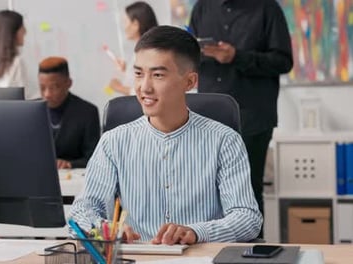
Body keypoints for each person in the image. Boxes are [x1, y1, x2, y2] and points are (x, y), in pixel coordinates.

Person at [70, 26, 262, 244]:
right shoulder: (113, 142)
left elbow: (247, 219)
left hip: (199, 257)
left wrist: (195, 232)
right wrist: (107, 229)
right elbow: (82, 212)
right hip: (138, 258)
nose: (144, 87)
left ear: (189, 82)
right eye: (139, 74)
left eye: (158, 75)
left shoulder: (224, 141)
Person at [189, 0, 293, 230]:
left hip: (252, 117)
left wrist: (237, 57)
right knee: (206, 193)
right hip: (207, 116)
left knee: (248, 192)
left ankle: (252, 253)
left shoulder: (267, 9)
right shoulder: (202, 8)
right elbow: (190, 56)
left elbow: (284, 61)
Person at [38, 57, 101, 169]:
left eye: (53, 87)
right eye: (42, 88)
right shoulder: (31, 112)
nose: (47, 94)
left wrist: (70, 164)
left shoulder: (87, 112)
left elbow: (94, 158)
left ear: (68, 83)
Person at [108, 1, 158, 95]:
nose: (123, 27)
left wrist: (120, 87)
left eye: (125, 22)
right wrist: (125, 71)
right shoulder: (141, 51)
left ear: (135, 24)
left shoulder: (148, 53)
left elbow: (151, 91)